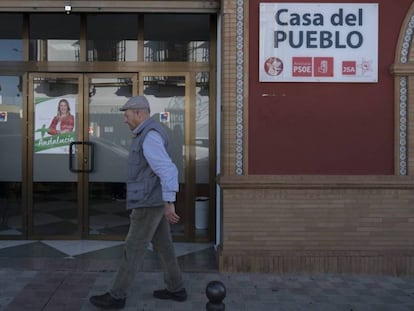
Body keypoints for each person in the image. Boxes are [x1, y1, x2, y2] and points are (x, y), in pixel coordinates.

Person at [89, 96, 186, 309]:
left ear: (139, 113)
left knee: (133, 248)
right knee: (164, 246)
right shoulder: (148, 133)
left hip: (147, 203)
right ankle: (176, 288)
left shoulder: (149, 136)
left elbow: (168, 170)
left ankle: (117, 296)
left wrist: (169, 201)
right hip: (153, 200)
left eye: (127, 115)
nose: (124, 119)